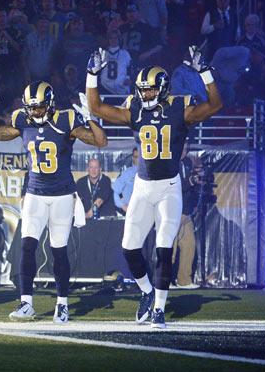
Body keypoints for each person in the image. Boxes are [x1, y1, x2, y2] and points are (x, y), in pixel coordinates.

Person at [85, 45, 223, 328]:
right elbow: (96, 107)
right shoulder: (134, 109)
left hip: (169, 187)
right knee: (129, 248)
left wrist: (206, 73)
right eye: (142, 90)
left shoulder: (179, 108)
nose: (144, 94)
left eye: (149, 90)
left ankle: (159, 308)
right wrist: (91, 76)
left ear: (161, 88)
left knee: (163, 247)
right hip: (143, 187)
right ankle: (148, 292)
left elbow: (215, 105)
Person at [0, 72, 107, 323]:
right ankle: (26, 303)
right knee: (27, 247)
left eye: (38, 107)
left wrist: (91, 118)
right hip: (35, 194)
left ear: (49, 103)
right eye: (31, 107)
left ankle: (62, 304)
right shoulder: (22, 120)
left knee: (58, 250)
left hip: (61, 196)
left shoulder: (65, 119)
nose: (34, 112)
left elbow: (101, 142)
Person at [171, 143, 200, 290]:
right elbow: (174, 186)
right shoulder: (169, 162)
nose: (184, 151)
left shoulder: (188, 162)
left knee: (189, 246)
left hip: (186, 212)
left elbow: (193, 186)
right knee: (171, 249)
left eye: (186, 148)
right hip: (172, 212)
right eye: (181, 147)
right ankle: (166, 281)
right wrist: (190, 181)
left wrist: (194, 204)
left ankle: (184, 280)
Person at [113, 147, 139, 216]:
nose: (138, 160)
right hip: (129, 212)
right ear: (133, 158)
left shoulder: (150, 173)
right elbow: (116, 191)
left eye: (140, 157)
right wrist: (123, 206)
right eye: (136, 157)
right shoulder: (127, 173)